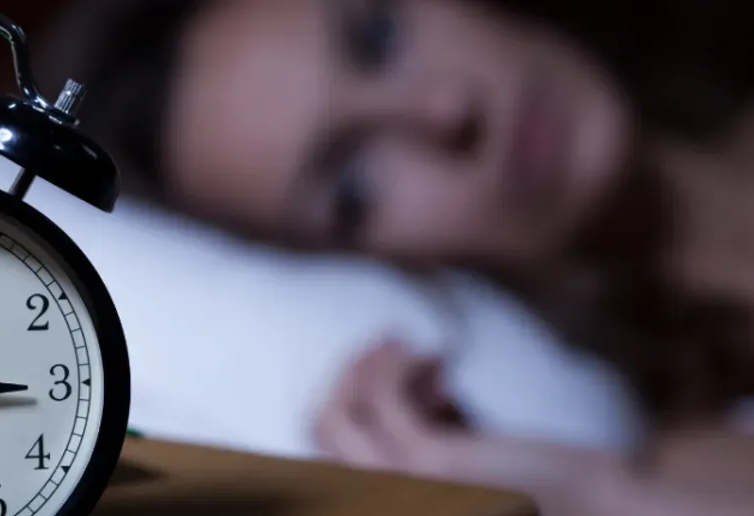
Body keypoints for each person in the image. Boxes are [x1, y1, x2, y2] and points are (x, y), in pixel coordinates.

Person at [37, 0, 754, 514]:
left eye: (377, 34)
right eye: (351, 187)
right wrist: (600, 497)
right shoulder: (689, 464)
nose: (444, 110)